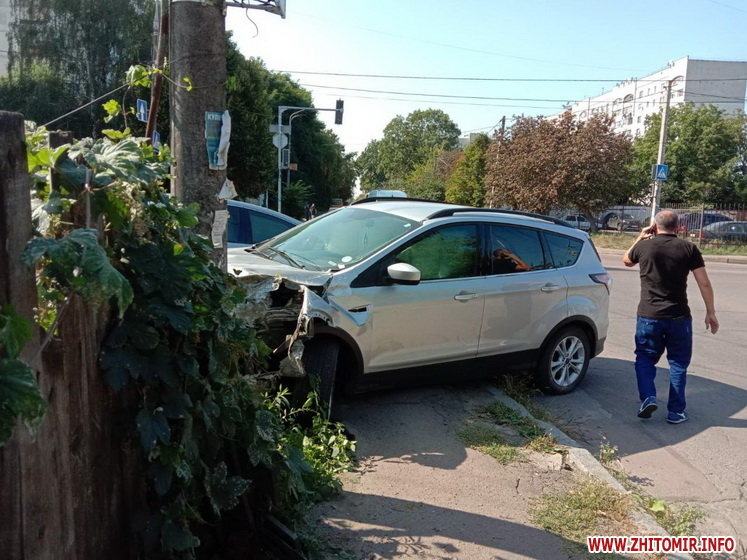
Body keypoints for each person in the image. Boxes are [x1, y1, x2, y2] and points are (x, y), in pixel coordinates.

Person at [622, 210, 719, 424]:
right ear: (678, 227)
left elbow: (626, 260)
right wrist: (710, 312)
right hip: (678, 316)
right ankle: (676, 412)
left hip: (648, 315)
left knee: (645, 358)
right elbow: (704, 282)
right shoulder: (688, 248)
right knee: (678, 363)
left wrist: (640, 236)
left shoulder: (644, 246)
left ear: (655, 226)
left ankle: (648, 397)